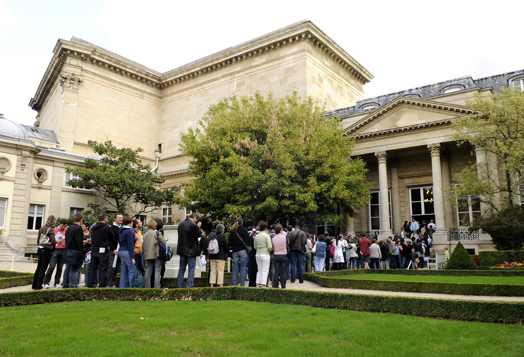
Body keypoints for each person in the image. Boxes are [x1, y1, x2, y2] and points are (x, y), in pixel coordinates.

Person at [88, 213, 116, 288]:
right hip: (103, 250)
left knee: (92, 268)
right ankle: (102, 285)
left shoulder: (93, 227)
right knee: (103, 268)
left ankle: (90, 285)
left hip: (94, 249)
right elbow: (112, 236)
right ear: (104, 219)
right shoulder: (107, 227)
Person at [177, 212, 202, 288]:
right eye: (196, 220)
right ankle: (190, 285)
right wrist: (198, 227)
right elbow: (198, 234)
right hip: (191, 250)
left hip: (182, 250)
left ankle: (180, 285)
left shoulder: (181, 224)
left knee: (181, 269)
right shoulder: (192, 225)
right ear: (195, 218)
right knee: (191, 269)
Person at [33, 215, 57, 290]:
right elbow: (53, 241)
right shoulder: (51, 229)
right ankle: (38, 285)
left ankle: (34, 284)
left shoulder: (42, 228)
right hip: (46, 249)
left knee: (39, 267)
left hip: (40, 248)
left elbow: (38, 239)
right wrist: (56, 243)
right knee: (43, 268)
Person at [64, 213, 86, 288]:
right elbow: (79, 242)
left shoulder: (69, 228)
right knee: (74, 270)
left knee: (68, 269)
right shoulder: (78, 228)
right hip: (75, 251)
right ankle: (73, 285)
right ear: (81, 220)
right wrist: (83, 251)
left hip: (68, 250)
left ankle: (65, 284)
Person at [43, 218, 67, 289]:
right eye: (63, 226)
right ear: (59, 223)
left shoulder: (66, 230)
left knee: (60, 268)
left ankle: (57, 283)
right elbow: (51, 240)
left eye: (65, 226)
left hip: (63, 249)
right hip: (55, 250)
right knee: (51, 267)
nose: (63, 228)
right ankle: (46, 282)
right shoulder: (54, 230)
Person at [229, 217, 251, 287]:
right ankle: (242, 284)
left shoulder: (232, 231)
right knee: (243, 268)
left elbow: (230, 243)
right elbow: (248, 240)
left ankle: (234, 284)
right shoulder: (243, 230)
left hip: (235, 251)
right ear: (241, 222)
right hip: (242, 250)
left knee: (235, 268)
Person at [142, 220, 162, 288]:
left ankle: (147, 287)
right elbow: (164, 242)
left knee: (148, 271)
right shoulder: (157, 233)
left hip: (148, 255)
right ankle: (157, 287)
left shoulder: (145, 234)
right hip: (156, 254)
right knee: (157, 272)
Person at [118, 216, 136, 288]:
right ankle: (131, 287)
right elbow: (130, 245)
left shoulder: (121, 230)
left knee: (124, 270)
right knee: (132, 269)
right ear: (130, 222)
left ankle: (123, 286)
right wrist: (133, 257)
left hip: (121, 250)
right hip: (126, 251)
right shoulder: (129, 231)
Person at [254, 221, 272, 287]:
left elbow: (255, 246)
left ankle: (257, 284)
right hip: (265, 254)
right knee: (265, 270)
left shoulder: (257, 236)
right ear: (265, 228)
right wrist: (268, 250)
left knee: (259, 269)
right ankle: (263, 284)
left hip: (258, 254)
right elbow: (270, 246)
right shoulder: (267, 236)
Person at [107, 213, 123, 288]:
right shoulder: (111, 228)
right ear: (115, 219)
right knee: (111, 267)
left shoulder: (122, 228)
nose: (120, 219)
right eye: (119, 218)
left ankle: (113, 284)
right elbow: (108, 240)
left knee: (117, 268)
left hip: (119, 251)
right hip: (113, 251)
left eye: (121, 218)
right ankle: (109, 284)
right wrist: (113, 249)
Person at [81, 221, 92, 287]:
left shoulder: (90, 234)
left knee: (87, 268)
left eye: (83, 226)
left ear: (87, 227)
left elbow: (91, 241)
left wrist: (88, 241)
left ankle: (87, 283)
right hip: (82, 251)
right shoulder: (81, 234)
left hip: (89, 252)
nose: (82, 227)